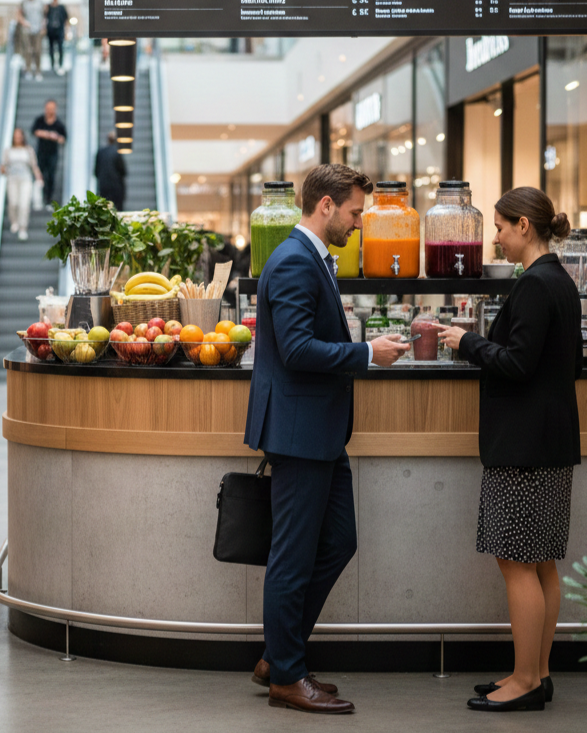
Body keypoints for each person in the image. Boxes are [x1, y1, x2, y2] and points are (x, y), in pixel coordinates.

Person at [243, 164, 409, 714]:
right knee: (292, 558)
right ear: (326, 206)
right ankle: (286, 678)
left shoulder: (309, 256)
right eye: (355, 212)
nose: (359, 224)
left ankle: (278, 654)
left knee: (339, 540)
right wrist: (366, 353)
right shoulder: (295, 259)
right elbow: (296, 349)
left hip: (318, 431)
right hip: (299, 432)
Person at [435, 187, 580, 713]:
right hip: (551, 441)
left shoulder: (535, 284)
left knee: (516, 561)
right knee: (541, 563)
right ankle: (538, 673)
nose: (494, 237)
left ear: (523, 226)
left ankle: (524, 681)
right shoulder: (560, 281)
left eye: (498, 227)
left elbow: (518, 364)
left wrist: (466, 342)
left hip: (523, 445)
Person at [1, 128, 43, 239]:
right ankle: (14, 221)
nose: (18, 138)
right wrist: (3, 169)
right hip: (12, 179)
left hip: (26, 179)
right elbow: (3, 165)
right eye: (16, 135)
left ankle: (23, 228)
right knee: (13, 202)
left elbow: (34, 165)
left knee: (24, 204)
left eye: (19, 135)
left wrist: (38, 177)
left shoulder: (28, 150)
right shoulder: (8, 150)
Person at [32, 99, 67, 205]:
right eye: (48, 108)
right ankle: (39, 198)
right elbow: (34, 131)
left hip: (52, 154)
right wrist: (47, 134)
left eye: (52, 109)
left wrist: (56, 137)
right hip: (41, 153)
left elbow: (63, 139)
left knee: (51, 176)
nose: (50, 111)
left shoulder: (59, 124)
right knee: (40, 175)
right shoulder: (40, 120)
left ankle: (48, 199)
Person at [94, 131, 127, 211]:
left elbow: (96, 171)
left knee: (104, 210)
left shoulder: (100, 152)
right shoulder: (117, 152)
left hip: (103, 187)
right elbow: (123, 171)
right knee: (117, 210)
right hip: (116, 188)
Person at [17, 0, 46, 81]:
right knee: (28, 50)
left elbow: (44, 16)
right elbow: (19, 15)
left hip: (38, 30)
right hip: (27, 30)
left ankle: (38, 71)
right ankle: (28, 70)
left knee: (37, 51)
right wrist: (24, 22)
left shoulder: (40, 3)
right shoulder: (24, 3)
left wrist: (43, 27)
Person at [45, 0, 69, 74]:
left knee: (60, 48)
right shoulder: (48, 7)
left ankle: (60, 65)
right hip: (51, 31)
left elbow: (66, 19)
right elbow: (45, 17)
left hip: (60, 30)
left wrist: (67, 31)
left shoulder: (61, 7)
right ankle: (52, 65)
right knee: (51, 48)